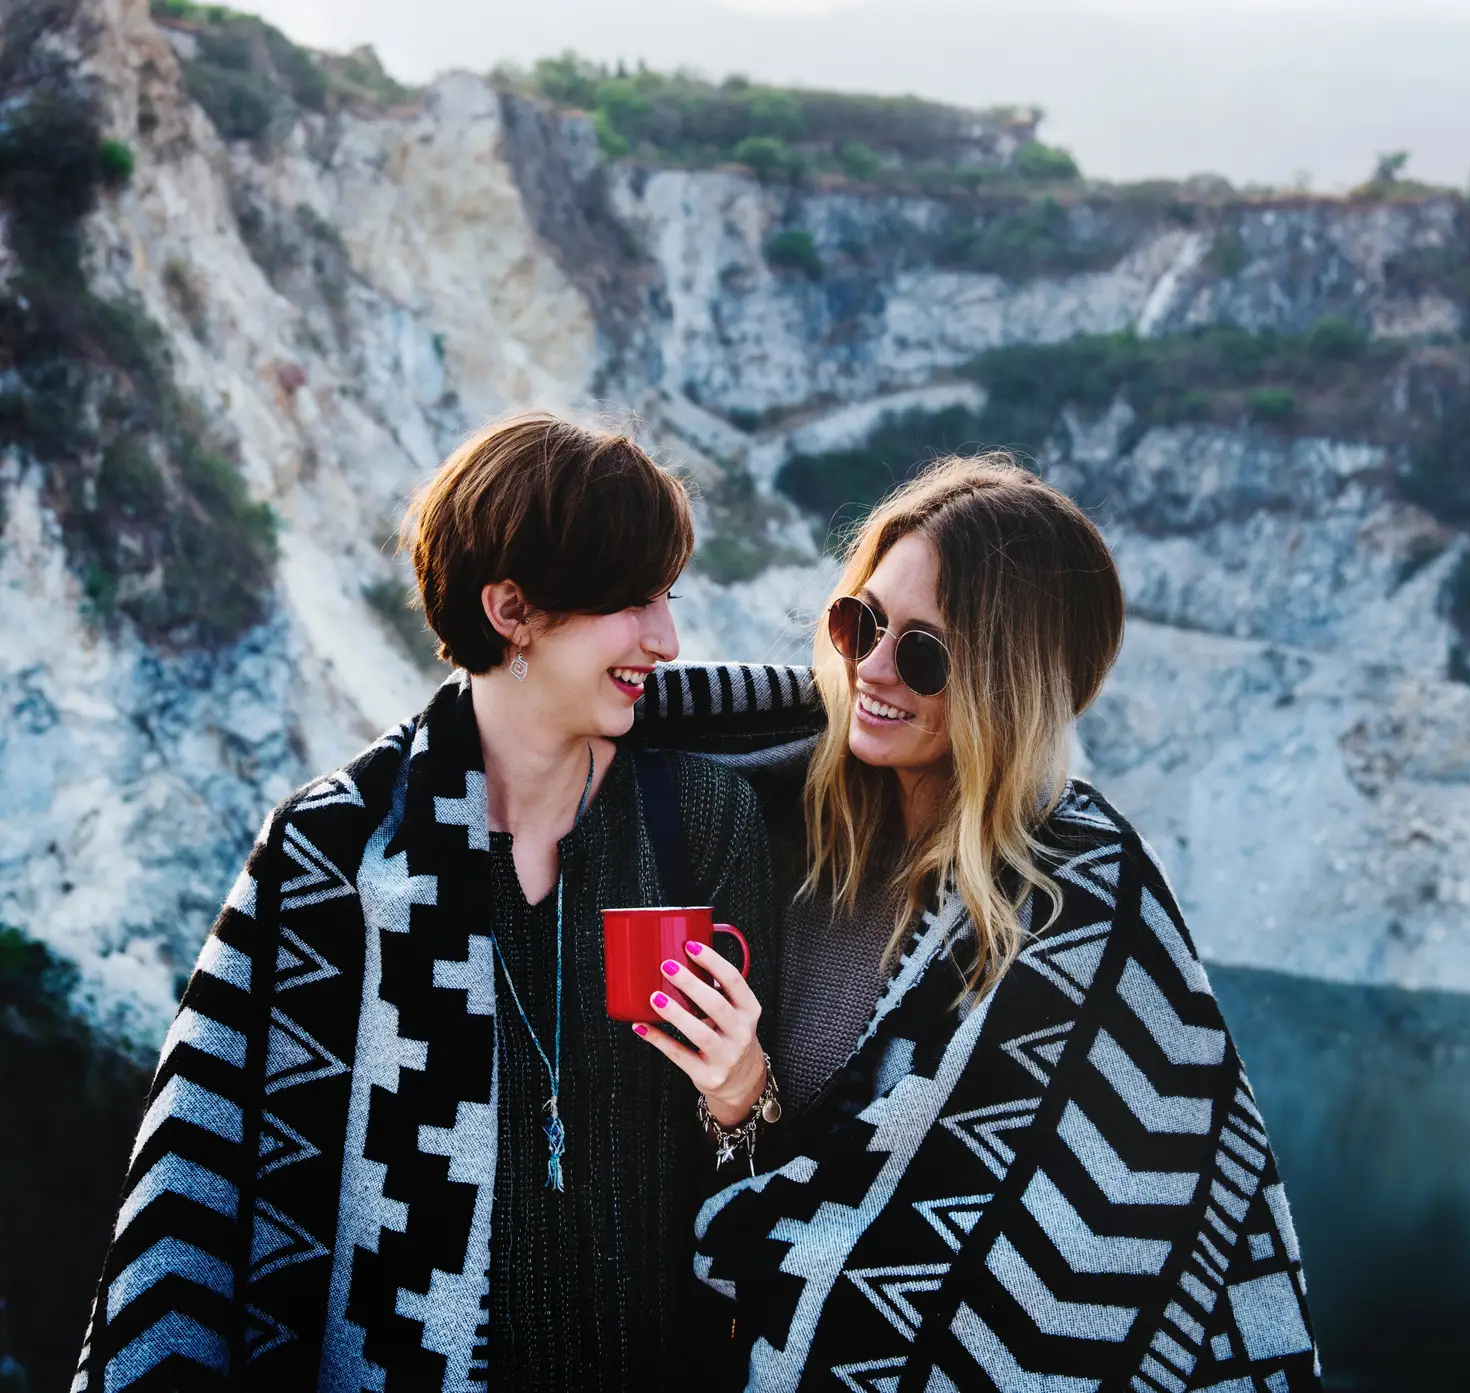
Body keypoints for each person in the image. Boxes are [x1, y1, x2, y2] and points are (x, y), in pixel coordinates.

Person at [75, 412, 778, 1392]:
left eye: (668, 596)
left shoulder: (701, 819)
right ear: (511, 609)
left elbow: (786, 1168)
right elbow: (220, 1184)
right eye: (632, 601)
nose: (666, 638)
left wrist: (744, 1094)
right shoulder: (337, 849)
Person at [640, 456, 1323, 1391]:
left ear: (1013, 681)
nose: (873, 669)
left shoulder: (1083, 912)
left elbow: (1133, 1279)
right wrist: (738, 1107)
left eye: (923, 651)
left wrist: (746, 1105)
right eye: (861, 621)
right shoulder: (772, 808)